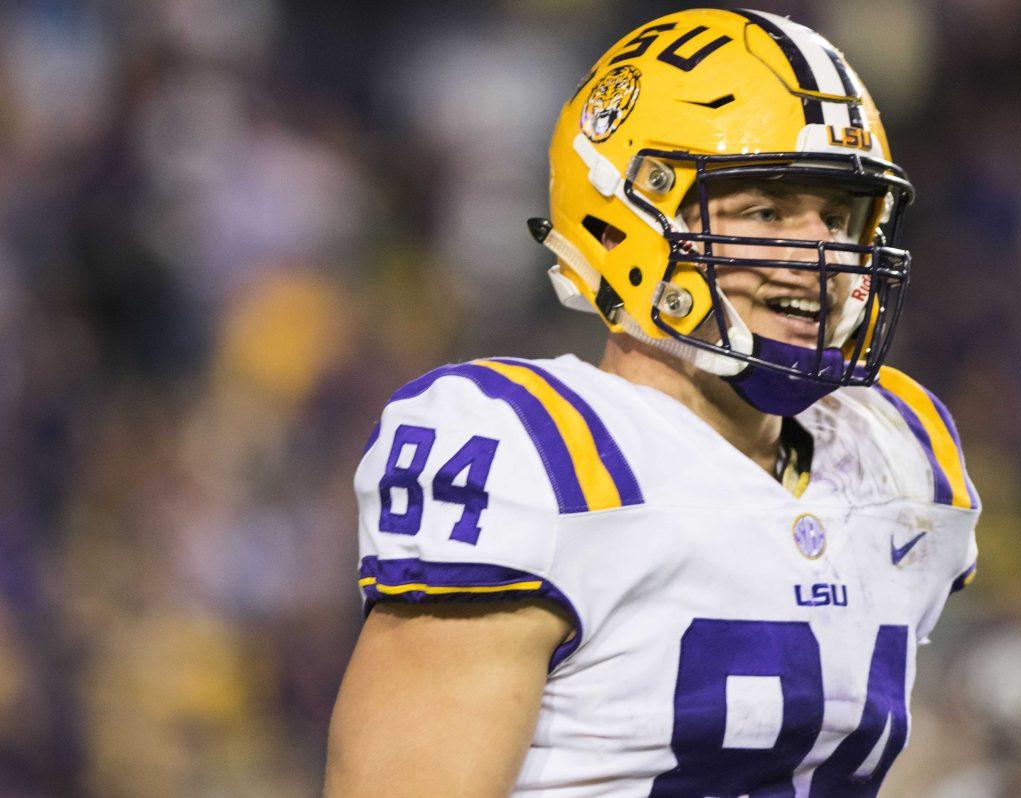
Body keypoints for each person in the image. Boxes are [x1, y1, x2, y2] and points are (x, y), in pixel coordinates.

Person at [325, 8, 980, 797]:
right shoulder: (537, 455)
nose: (823, 258)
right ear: (627, 223)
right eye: (766, 212)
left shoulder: (893, 452)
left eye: (839, 218)